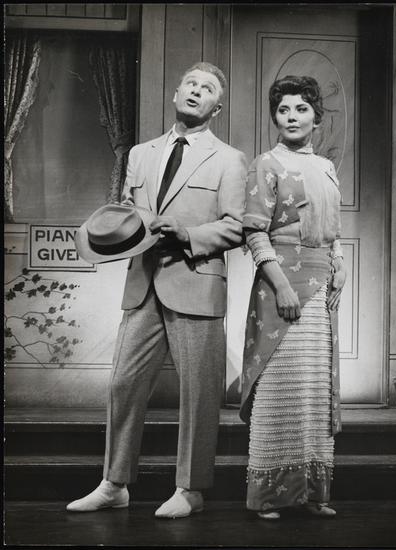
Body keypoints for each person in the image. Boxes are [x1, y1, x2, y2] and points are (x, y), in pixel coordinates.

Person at [67, 62, 247, 517]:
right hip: (143, 283)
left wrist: (187, 233)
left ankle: (191, 490)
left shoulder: (229, 159)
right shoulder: (140, 153)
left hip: (196, 283)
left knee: (199, 393)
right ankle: (115, 484)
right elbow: (129, 212)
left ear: (217, 108)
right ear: (175, 93)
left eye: (207, 89)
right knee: (123, 384)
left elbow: (236, 227)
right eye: (191, 84)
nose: (196, 91)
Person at [239, 75, 346, 520]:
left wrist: (340, 261)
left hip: (322, 286)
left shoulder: (326, 166)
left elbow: (333, 229)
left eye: (301, 109)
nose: (292, 117)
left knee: (313, 389)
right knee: (280, 388)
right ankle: (269, 496)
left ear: (316, 118)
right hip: (280, 282)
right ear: (275, 117)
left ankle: (312, 493)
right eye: (283, 109)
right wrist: (281, 285)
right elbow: (254, 231)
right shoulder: (266, 163)